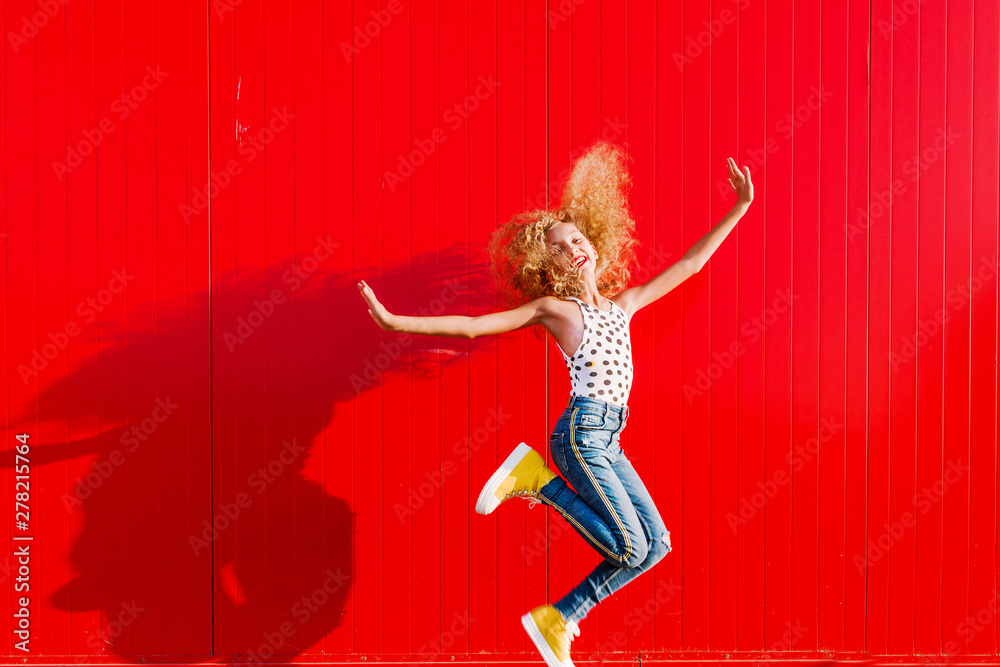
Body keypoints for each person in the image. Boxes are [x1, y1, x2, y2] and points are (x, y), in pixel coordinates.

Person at [357, 140, 753, 666]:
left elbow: (689, 265)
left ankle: (560, 617)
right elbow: (475, 329)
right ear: (555, 265)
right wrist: (394, 322)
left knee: (655, 545)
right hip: (581, 436)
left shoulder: (624, 305)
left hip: (609, 441)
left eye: (579, 237)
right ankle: (537, 480)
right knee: (631, 547)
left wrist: (739, 208)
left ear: (596, 243)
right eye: (563, 246)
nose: (576, 247)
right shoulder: (557, 310)